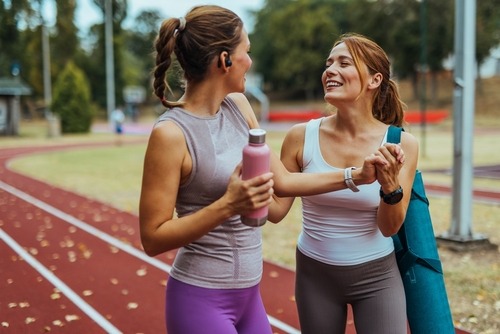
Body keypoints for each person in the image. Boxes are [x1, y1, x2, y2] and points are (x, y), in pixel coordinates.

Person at [139, 7, 404, 333]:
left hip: (249, 295)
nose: (250, 61)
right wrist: (229, 205)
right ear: (225, 61)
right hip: (200, 294)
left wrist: (355, 176)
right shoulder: (170, 133)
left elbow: (284, 182)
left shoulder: (239, 107)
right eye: (246, 52)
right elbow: (152, 238)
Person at [276, 32, 419, 334]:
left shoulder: (400, 143)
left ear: (374, 80)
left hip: (377, 277)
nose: (330, 71)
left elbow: (389, 227)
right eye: (328, 64)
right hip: (314, 275)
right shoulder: (300, 137)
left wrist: (391, 187)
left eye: (344, 63)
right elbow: (275, 212)